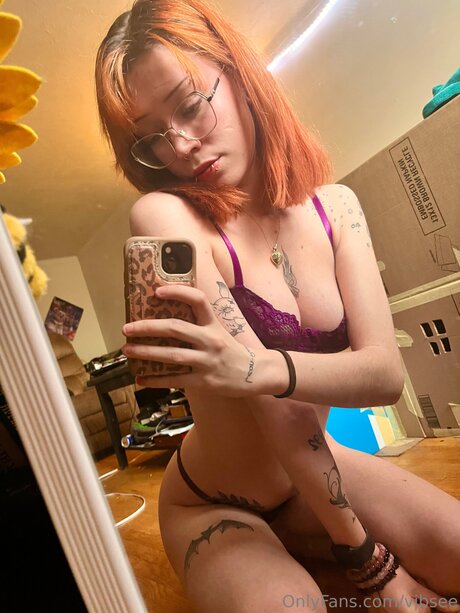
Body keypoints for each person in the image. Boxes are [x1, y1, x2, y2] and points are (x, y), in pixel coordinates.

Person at [95, 1, 460, 610]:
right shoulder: (164, 217)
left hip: (318, 472)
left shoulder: (337, 207)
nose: (181, 146)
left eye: (190, 105)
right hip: (215, 501)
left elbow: (385, 374)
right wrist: (374, 567)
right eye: (151, 138)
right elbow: (279, 413)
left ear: (241, 75)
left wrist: (255, 367)